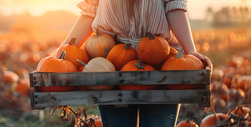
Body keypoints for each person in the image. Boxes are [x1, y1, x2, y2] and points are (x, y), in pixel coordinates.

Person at [56, 0, 213, 126]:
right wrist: (64, 50)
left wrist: (191, 52)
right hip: (112, 60)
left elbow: (174, 5)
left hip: (159, 58)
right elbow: (90, 10)